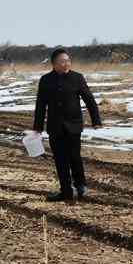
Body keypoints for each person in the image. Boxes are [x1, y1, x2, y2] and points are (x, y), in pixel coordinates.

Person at [33, 48, 102, 202]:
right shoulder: (46, 80)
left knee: (74, 157)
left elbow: (89, 100)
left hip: (73, 125)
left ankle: (81, 186)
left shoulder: (77, 78)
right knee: (60, 159)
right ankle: (65, 191)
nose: (66, 64)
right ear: (54, 64)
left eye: (68, 61)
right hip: (55, 126)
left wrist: (96, 120)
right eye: (62, 61)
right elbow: (40, 105)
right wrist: (37, 127)